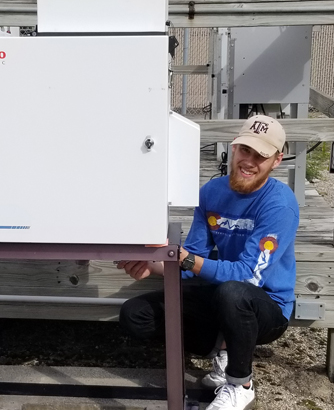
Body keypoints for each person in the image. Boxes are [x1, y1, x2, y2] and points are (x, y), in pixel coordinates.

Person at [118, 115, 299, 410]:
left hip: (267, 306)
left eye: (260, 156)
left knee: (234, 292)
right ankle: (222, 349)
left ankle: (241, 385)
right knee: (135, 314)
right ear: (234, 147)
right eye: (245, 150)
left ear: (277, 160)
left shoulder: (279, 204)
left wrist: (188, 260)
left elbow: (248, 276)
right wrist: (154, 264)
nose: (249, 162)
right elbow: (192, 255)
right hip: (223, 296)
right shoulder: (211, 192)